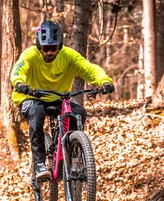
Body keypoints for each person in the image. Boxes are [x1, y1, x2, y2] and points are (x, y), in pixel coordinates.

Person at [11, 20, 114, 182]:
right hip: (31, 97)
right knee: (37, 114)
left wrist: (104, 81)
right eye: (46, 48)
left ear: (60, 46)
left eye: (54, 48)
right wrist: (19, 83)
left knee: (79, 112)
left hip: (58, 98)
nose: (50, 53)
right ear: (39, 46)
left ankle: (72, 154)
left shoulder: (68, 56)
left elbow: (89, 68)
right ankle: (39, 164)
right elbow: (19, 70)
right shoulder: (30, 55)